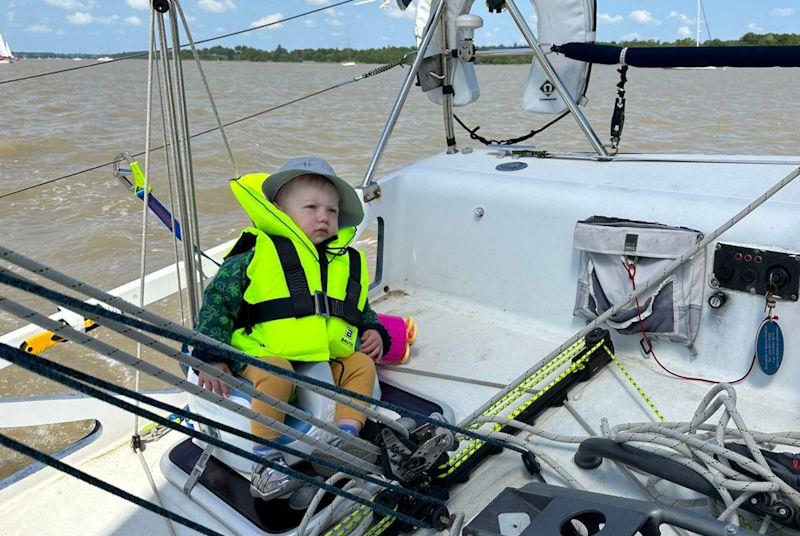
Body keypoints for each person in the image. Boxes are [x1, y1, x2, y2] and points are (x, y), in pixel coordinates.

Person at [192, 157, 391, 500]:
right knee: (277, 371)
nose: (324, 216)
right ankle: (265, 459)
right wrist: (212, 356)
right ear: (280, 210)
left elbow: (358, 308)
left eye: (332, 210)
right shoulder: (254, 253)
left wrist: (374, 331)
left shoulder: (345, 261)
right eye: (311, 206)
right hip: (261, 352)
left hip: (322, 356)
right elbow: (217, 303)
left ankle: (344, 437)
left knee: (362, 365)